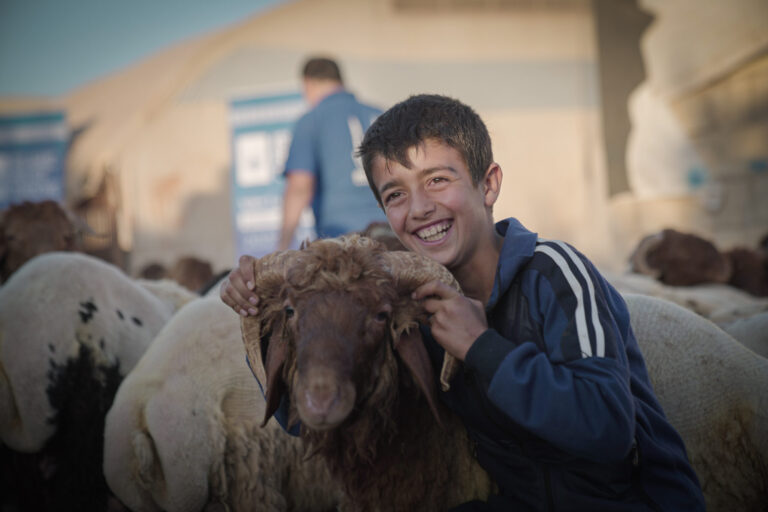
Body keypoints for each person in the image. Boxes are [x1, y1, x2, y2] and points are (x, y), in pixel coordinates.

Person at [220, 94, 705, 510]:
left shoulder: (555, 273)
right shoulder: (418, 309)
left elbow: (608, 428)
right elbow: (320, 419)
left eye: (437, 180)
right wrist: (265, 318)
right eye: (395, 194)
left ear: (488, 184)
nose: (419, 208)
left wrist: (482, 347)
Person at [277, 56, 386, 250]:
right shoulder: (380, 115)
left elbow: (300, 187)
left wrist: (282, 246)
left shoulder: (311, 120)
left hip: (341, 241)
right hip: (390, 231)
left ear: (308, 83)